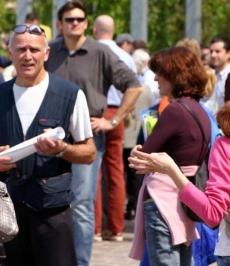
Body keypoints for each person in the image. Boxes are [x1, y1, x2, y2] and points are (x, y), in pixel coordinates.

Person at [0, 24, 96, 266]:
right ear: (10, 53)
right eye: (20, 49)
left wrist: (63, 149)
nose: (27, 56)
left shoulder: (70, 94)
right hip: (7, 212)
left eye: (34, 49)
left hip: (52, 213)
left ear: (46, 53)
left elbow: (89, 152)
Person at [45, 2, 142, 265]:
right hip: (47, 137)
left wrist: (113, 120)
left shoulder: (100, 52)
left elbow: (134, 85)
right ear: (60, 24)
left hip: (86, 137)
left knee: (83, 204)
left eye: (79, 19)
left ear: (87, 23)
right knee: (46, 200)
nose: (74, 23)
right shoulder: (48, 51)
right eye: (69, 19)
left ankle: (81, 262)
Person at [129, 68, 230, 266]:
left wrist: (172, 170)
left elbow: (212, 213)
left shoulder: (227, 145)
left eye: (161, 71)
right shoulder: (202, 114)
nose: (156, 78)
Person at [127, 46, 211, 265]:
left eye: (160, 72)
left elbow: (142, 158)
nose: (155, 78)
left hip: (163, 200)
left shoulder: (175, 110)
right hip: (185, 198)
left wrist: (138, 152)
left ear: (174, 74)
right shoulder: (199, 109)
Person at [92, 14, 137, 242]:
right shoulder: (125, 56)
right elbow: (133, 86)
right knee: (116, 170)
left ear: (94, 30)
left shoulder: (90, 51)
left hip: (95, 113)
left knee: (94, 170)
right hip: (117, 114)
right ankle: (117, 228)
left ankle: (95, 228)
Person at [204, 37, 230, 115]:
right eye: (211, 51)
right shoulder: (210, 75)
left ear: (229, 54)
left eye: (217, 51)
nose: (213, 55)